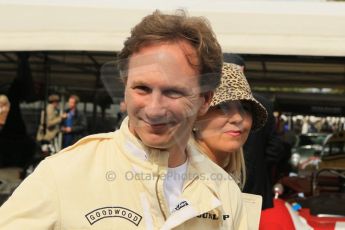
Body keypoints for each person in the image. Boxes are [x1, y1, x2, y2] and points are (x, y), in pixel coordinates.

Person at [0, 10, 248, 229]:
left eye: (173, 92)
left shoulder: (225, 192)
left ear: (205, 100)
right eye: (142, 88)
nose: (154, 109)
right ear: (125, 86)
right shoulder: (62, 174)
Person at [193, 63, 268, 229]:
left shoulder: (228, 180)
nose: (238, 118)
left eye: (245, 108)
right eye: (222, 107)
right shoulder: (182, 181)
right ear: (195, 118)